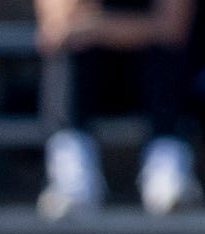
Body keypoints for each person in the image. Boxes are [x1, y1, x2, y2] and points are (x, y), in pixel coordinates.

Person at [35, 0, 203, 216]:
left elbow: (172, 28)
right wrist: (142, 28)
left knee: (166, 55)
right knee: (67, 54)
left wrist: (95, 26)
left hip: (154, 87)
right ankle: (72, 176)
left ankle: (166, 169)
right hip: (88, 86)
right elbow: (56, 28)